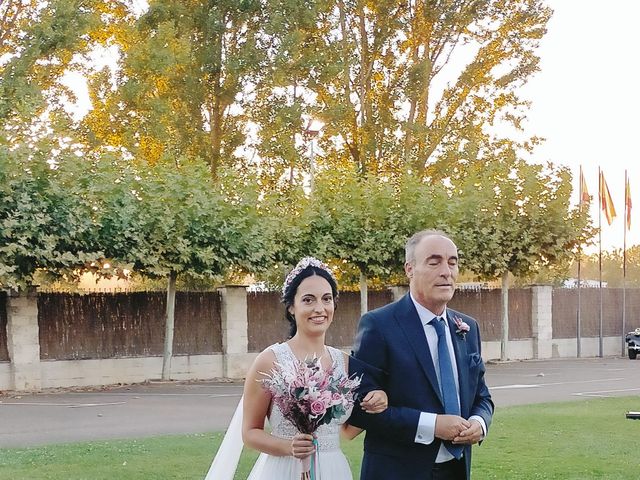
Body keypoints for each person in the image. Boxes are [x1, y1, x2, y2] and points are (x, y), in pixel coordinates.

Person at [205, 257, 387, 480]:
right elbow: (250, 433)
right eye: (308, 300)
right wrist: (288, 446)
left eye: (326, 299)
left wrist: (378, 399)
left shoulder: (346, 363)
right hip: (283, 470)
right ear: (291, 306)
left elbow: (348, 430)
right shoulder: (270, 361)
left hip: (333, 469)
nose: (319, 308)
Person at [349, 230, 494, 480]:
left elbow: (482, 395)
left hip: (456, 470)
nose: (446, 271)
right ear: (409, 269)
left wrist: (479, 424)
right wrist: (433, 425)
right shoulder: (379, 325)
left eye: (452, 262)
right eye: (434, 261)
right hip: (397, 472)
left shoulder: (467, 328)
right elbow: (359, 409)